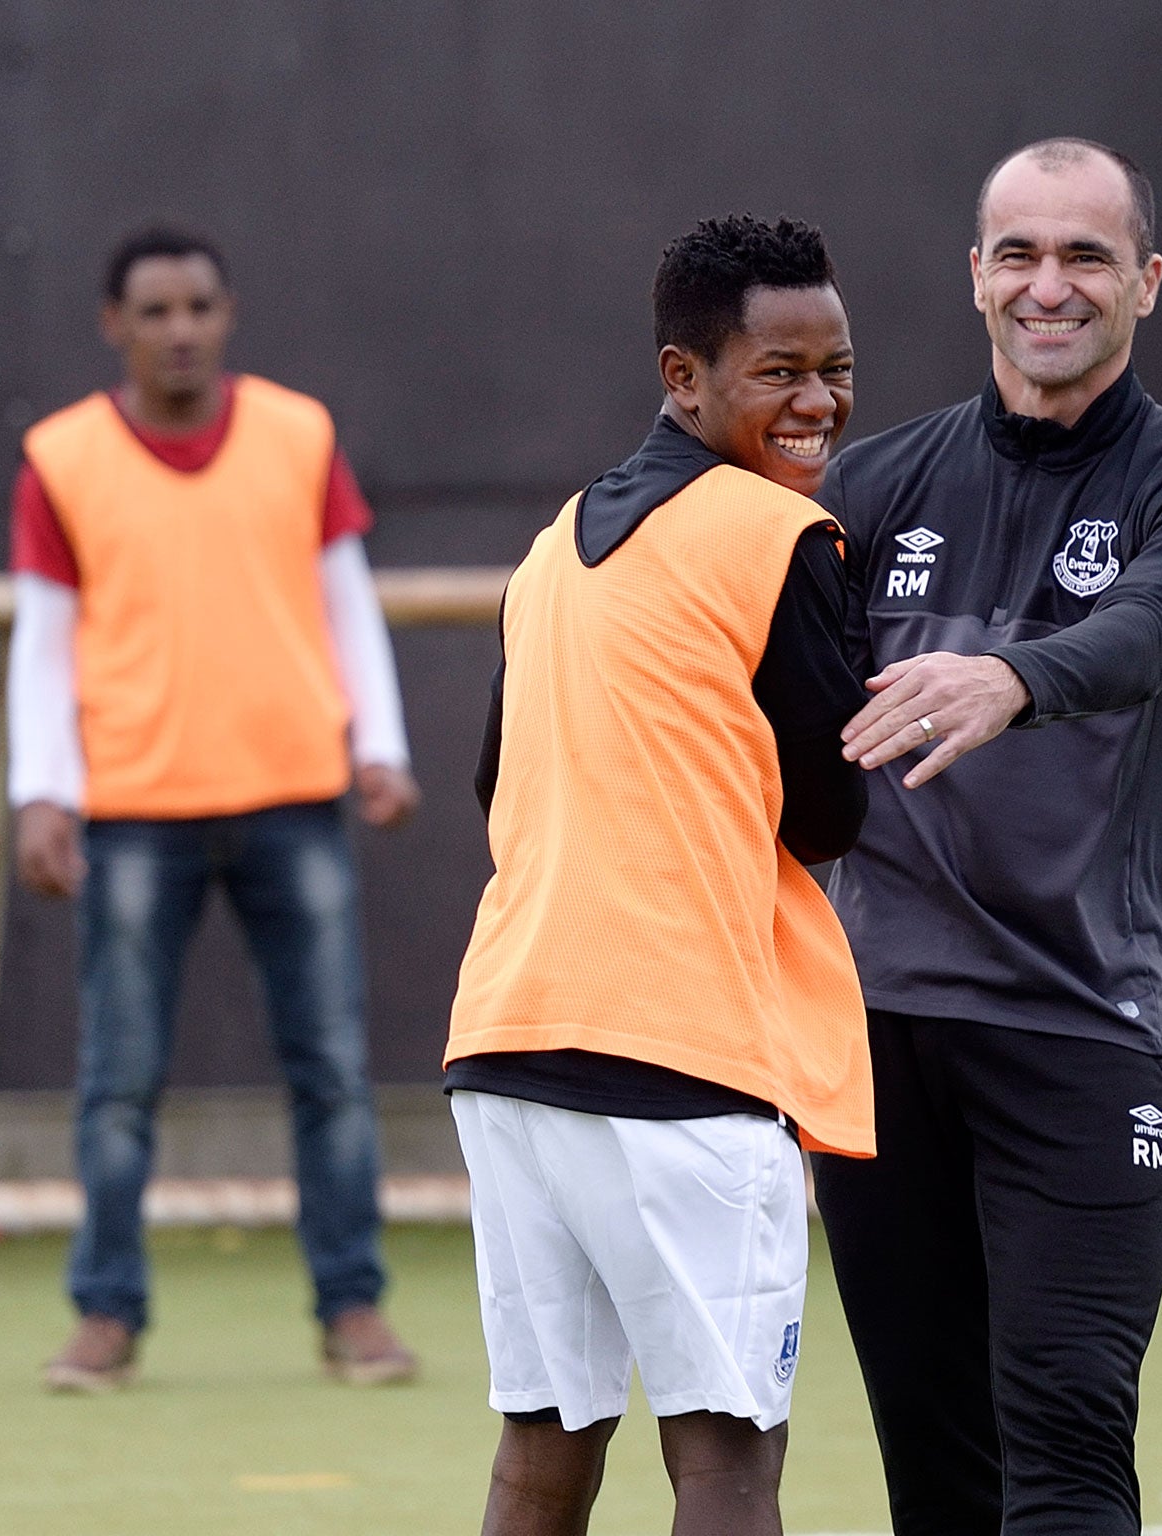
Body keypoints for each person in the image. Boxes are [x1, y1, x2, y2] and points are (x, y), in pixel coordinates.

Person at [809, 138, 1162, 1534]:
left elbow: (1137, 640)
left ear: (1145, 281)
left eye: (1084, 255)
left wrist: (1014, 675)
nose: (1048, 285)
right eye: (1018, 252)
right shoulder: (869, 489)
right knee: (936, 1467)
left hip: (1081, 1029)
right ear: (974, 277)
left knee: (1070, 1425)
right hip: (878, 1037)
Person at [443, 214, 873, 1536]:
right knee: (728, 1460)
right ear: (683, 378)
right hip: (683, 1061)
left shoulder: (553, 544)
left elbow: (492, 786)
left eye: (837, 367)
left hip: (508, 1044)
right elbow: (829, 807)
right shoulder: (779, 537)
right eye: (779, 372)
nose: (817, 402)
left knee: (541, 1449)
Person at [9, 225, 421, 1392]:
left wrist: (377, 747)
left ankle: (353, 1309)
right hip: (134, 805)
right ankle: (105, 1316)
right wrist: (43, 791)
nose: (178, 328)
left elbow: (347, 601)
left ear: (226, 314)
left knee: (333, 1068)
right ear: (115, 326)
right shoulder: (61, 458)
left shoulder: (299, 435)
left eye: (197, 306)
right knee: (119, 1080)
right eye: (154, 311)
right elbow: (43, 645)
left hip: (293, 792)